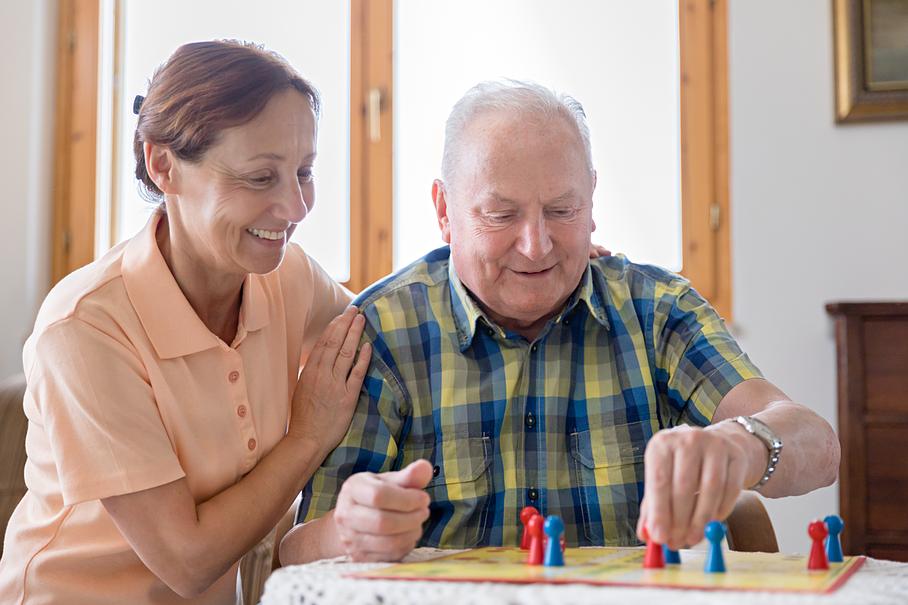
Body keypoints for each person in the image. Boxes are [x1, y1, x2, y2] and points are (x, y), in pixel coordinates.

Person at [279, 80, 841, 564]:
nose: (536, 245)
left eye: (562, 211)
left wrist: (742, 444)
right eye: (501, 215)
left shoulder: (656, 310)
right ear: (445, 211)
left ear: (592, 200)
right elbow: (300, 550)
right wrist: (349, 530)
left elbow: (817, 446)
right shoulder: (383, 333)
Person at [0, 40, 371, 604]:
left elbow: (386, 338)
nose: (295, 208)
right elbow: (188, 559)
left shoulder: (285, 275)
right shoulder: (85, 329)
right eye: (259, 177)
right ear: (163, 165)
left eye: (304, 172)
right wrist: (309, 435)